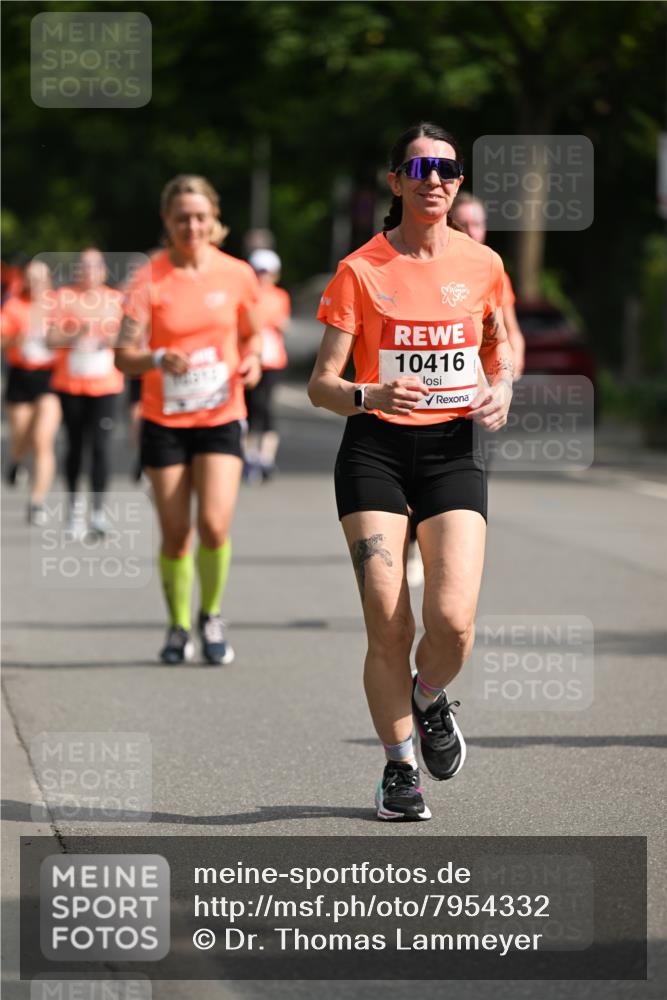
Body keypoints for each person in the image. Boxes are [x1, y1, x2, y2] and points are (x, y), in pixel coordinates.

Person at [308, 122, 514, 822]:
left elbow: (497, 348)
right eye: (419, 167)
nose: (434, 179)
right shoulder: (361, 269)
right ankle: (399, 771)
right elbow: (320, 385)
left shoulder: (482, 263)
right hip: (374, 450)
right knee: (387, 623)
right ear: (394, 181)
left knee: (452, 622)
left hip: (453, 449)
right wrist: (368, 394)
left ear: (458, 181)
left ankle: (428, 698)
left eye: (447, 168)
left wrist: (502, 390)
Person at [115, 174, 262, 665]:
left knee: (214, 525)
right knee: (176, 531)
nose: (191, 226)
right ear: (167, 221)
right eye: (181, 218)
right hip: (166, 419)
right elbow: (122, 355)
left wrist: (252, 360)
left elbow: (253, 336)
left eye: (200, 217)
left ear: (213, 219)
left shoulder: (237, 274)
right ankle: (178, 624)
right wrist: (156, 358)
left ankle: (212, 614)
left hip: (221, 414)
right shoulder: (147, 279)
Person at [405, 191, 527, 587]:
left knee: (468, 475)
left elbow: (506, 333)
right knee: (412, 477)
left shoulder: (491, 268)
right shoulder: (421, 264)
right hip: (418, 402)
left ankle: (449, 549)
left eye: (478, 223)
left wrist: (506, 379)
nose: (472, 230)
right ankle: (411, 540)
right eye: (466, 223)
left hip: (474, 399)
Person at [48, 248, 125, 537]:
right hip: (71, 384)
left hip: (105, 386)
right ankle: (74, 510)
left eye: (94, 266)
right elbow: (50, 339)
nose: (89, 272)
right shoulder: (64, 297)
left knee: (101, 447)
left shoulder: (116, 300)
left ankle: (98, 511)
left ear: (104, 271)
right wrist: (75, 334)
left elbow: (130, 337)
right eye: (84, 266)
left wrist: (108, 338)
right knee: (75, 446)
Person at [1, 258, 61, 524]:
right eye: (31, 278)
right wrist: (16, 338)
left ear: (49, 280)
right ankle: (15, 461)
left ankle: (37, 501)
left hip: (50, 377)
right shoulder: (15, 306)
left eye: (41, 278)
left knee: (42, 439)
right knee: (21, 436)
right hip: (21, 376)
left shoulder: (60, 306)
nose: (36, 283)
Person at [450, 191, 525, 378]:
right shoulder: (435, 270)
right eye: (462, 224)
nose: (471, 231)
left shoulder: (495, 272)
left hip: (486, 380)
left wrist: (510, 371)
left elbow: (512, 331)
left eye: (477, 224)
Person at [243, 248, 291, 482]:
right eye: (259, 271)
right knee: (250, 409)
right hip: (250, 358)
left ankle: (266, 458)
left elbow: (282, 323)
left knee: (266, 408)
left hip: (273, 360)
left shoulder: (280, 296)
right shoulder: (246, 295)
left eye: (268, 272)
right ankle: (249, 457)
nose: (263, 276)